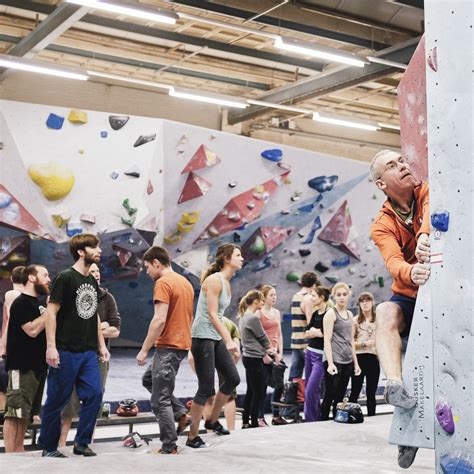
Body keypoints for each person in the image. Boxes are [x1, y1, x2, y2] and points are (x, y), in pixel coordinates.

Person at [370, 149, 430, 468]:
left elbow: (433, 213)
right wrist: (411, 271)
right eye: (392, 166)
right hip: (410, 296)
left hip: (445, 293)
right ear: (381, 183)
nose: (403, 166)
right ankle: (392, 383)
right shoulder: (381, 225)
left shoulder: (429, 190)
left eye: (402, 161)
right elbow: (393, 261)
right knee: (383, 312)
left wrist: (423, 237)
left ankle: (410, 435)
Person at [38, 234, 109, 458]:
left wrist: (101, 345)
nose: (99, 250)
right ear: (81, 252)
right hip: (66, 349)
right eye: (94, 247)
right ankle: (49, 447)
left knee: (95, 395)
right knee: (58, 399)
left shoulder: (91, 281)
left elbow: (94, 315)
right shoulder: (66, 277)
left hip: (88, 351)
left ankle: (81, 442)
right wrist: (51, 346)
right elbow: (51, 312)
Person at [136, 246, 194, 455]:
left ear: (156, 263)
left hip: (168, 347)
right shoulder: (184, 282)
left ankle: (169, 446)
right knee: (149, 380)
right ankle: (180, 412)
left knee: (159, 400)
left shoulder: (163, 282)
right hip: (178, 345)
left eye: (147, 267)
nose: (147, 272)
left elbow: (159, 319)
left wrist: (144, 349)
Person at [59, 262, 121, 447]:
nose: (96, 274)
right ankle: (61, 443)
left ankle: (86, 442)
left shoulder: (107, 298)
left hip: (97, 357)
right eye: (92, 271)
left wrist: (98, 329)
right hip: (72, 355)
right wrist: (100, 328)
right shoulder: (71, 294)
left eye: (98, 271)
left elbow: (115, 330)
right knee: (67, 402)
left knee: (94, 399)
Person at [187, 244, 241, 449]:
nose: (242, 258)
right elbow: (211, 314)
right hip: (202, 336)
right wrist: (228, 339)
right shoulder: (214, 280)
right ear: (227, 259)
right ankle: (192, 436)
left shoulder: (226, 283)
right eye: (238, 255)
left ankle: (211, 420)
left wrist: (226, 338)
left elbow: (218, 316)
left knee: (233, 378)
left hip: (214, 336)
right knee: (206, 387)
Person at [3, 265, 50, 452]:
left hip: (37, 365)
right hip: (21, 365)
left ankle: (19, 449)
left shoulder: (37, 304)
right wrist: (50, 310)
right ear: (32, 277)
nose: (48, 279)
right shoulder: (20, 302)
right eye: (44, 275)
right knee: (14, 412)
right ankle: (10, 454)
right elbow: (31, 330)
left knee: (26, 414)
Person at [187, 316, 241, 432]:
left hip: (213, 343)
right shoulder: (227, 324)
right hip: (211, 341)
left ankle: (211, 426)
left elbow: (191, 358)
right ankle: (227, 428)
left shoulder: (228, 325)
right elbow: (236, 354)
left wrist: (200, 374)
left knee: (209, 391)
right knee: (224, 393)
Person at [320, 282, 361, 421]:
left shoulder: (349, 314)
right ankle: (323, 422)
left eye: (344, 294)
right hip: (335, 360)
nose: (342, 297)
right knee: (329, 395)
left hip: (347, 360)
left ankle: (336, 421)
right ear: (334, 296)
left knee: (340, 395)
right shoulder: (331, 314)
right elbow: (327, 340)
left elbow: (351, 341)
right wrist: (330, 363)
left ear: (348, 296)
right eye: (339, 295)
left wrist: (356, 364)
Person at [238, 290, 275, 429]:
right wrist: (271, 350)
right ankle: (253, 422)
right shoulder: (252, 318)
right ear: (255, 302)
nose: (263, 302)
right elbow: (262, 336)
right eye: (261, 300)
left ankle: (246, 421)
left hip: (248, 357)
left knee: (251, 391)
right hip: (255, 358)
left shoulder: (243, 316)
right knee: (258, 392)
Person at [256, 285, 287, 427]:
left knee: (279, 385)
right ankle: (259, 417)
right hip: (264, 354)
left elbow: (279, 333)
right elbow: (258, 335)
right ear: (264, 297)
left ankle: (276, 415)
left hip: (275, 353)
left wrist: (280, 352)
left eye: (275, 295)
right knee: (261, 386)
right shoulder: (259, 313)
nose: (274, 298)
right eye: (271, 295)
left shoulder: (276, 312)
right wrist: (264, 353)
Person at [349, 292, 380, 417]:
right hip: (359, 357)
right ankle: (351, 415)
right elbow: (350, 341)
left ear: (372, 302)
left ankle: (372, 416)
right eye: (362, 301)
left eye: (368, 300)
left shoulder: (378, 319)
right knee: (355, 390)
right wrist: (364, 344)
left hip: (373, 358)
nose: (365, 303)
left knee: (371, 392)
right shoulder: (355, 320)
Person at [0, 266, 25, 419]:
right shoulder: (14, 295)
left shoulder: (13, 295)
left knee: (8, 388)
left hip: (13, 350)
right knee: (10, 387)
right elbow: (10, 324)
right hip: (14, 349)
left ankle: (9, 422)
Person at [303, 286, 331, 422]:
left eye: (314, 296)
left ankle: (313, 419)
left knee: (312, 389)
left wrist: (317, 332)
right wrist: (315, 332)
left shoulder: (329, 313)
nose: (311, 298)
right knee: (308, 388)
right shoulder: (315, 313)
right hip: (310, 353)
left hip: (321, 356)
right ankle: (310, 418)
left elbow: (328, 334)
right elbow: (307, 331)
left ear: (321, 298)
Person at [288, 272, 319, 380]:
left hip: (295, 340)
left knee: (294, 376)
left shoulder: (295, 296)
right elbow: (310, 322)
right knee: (311, 375)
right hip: (305, 342)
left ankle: (291, 396)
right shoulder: (309, 299)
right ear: (314, 284)